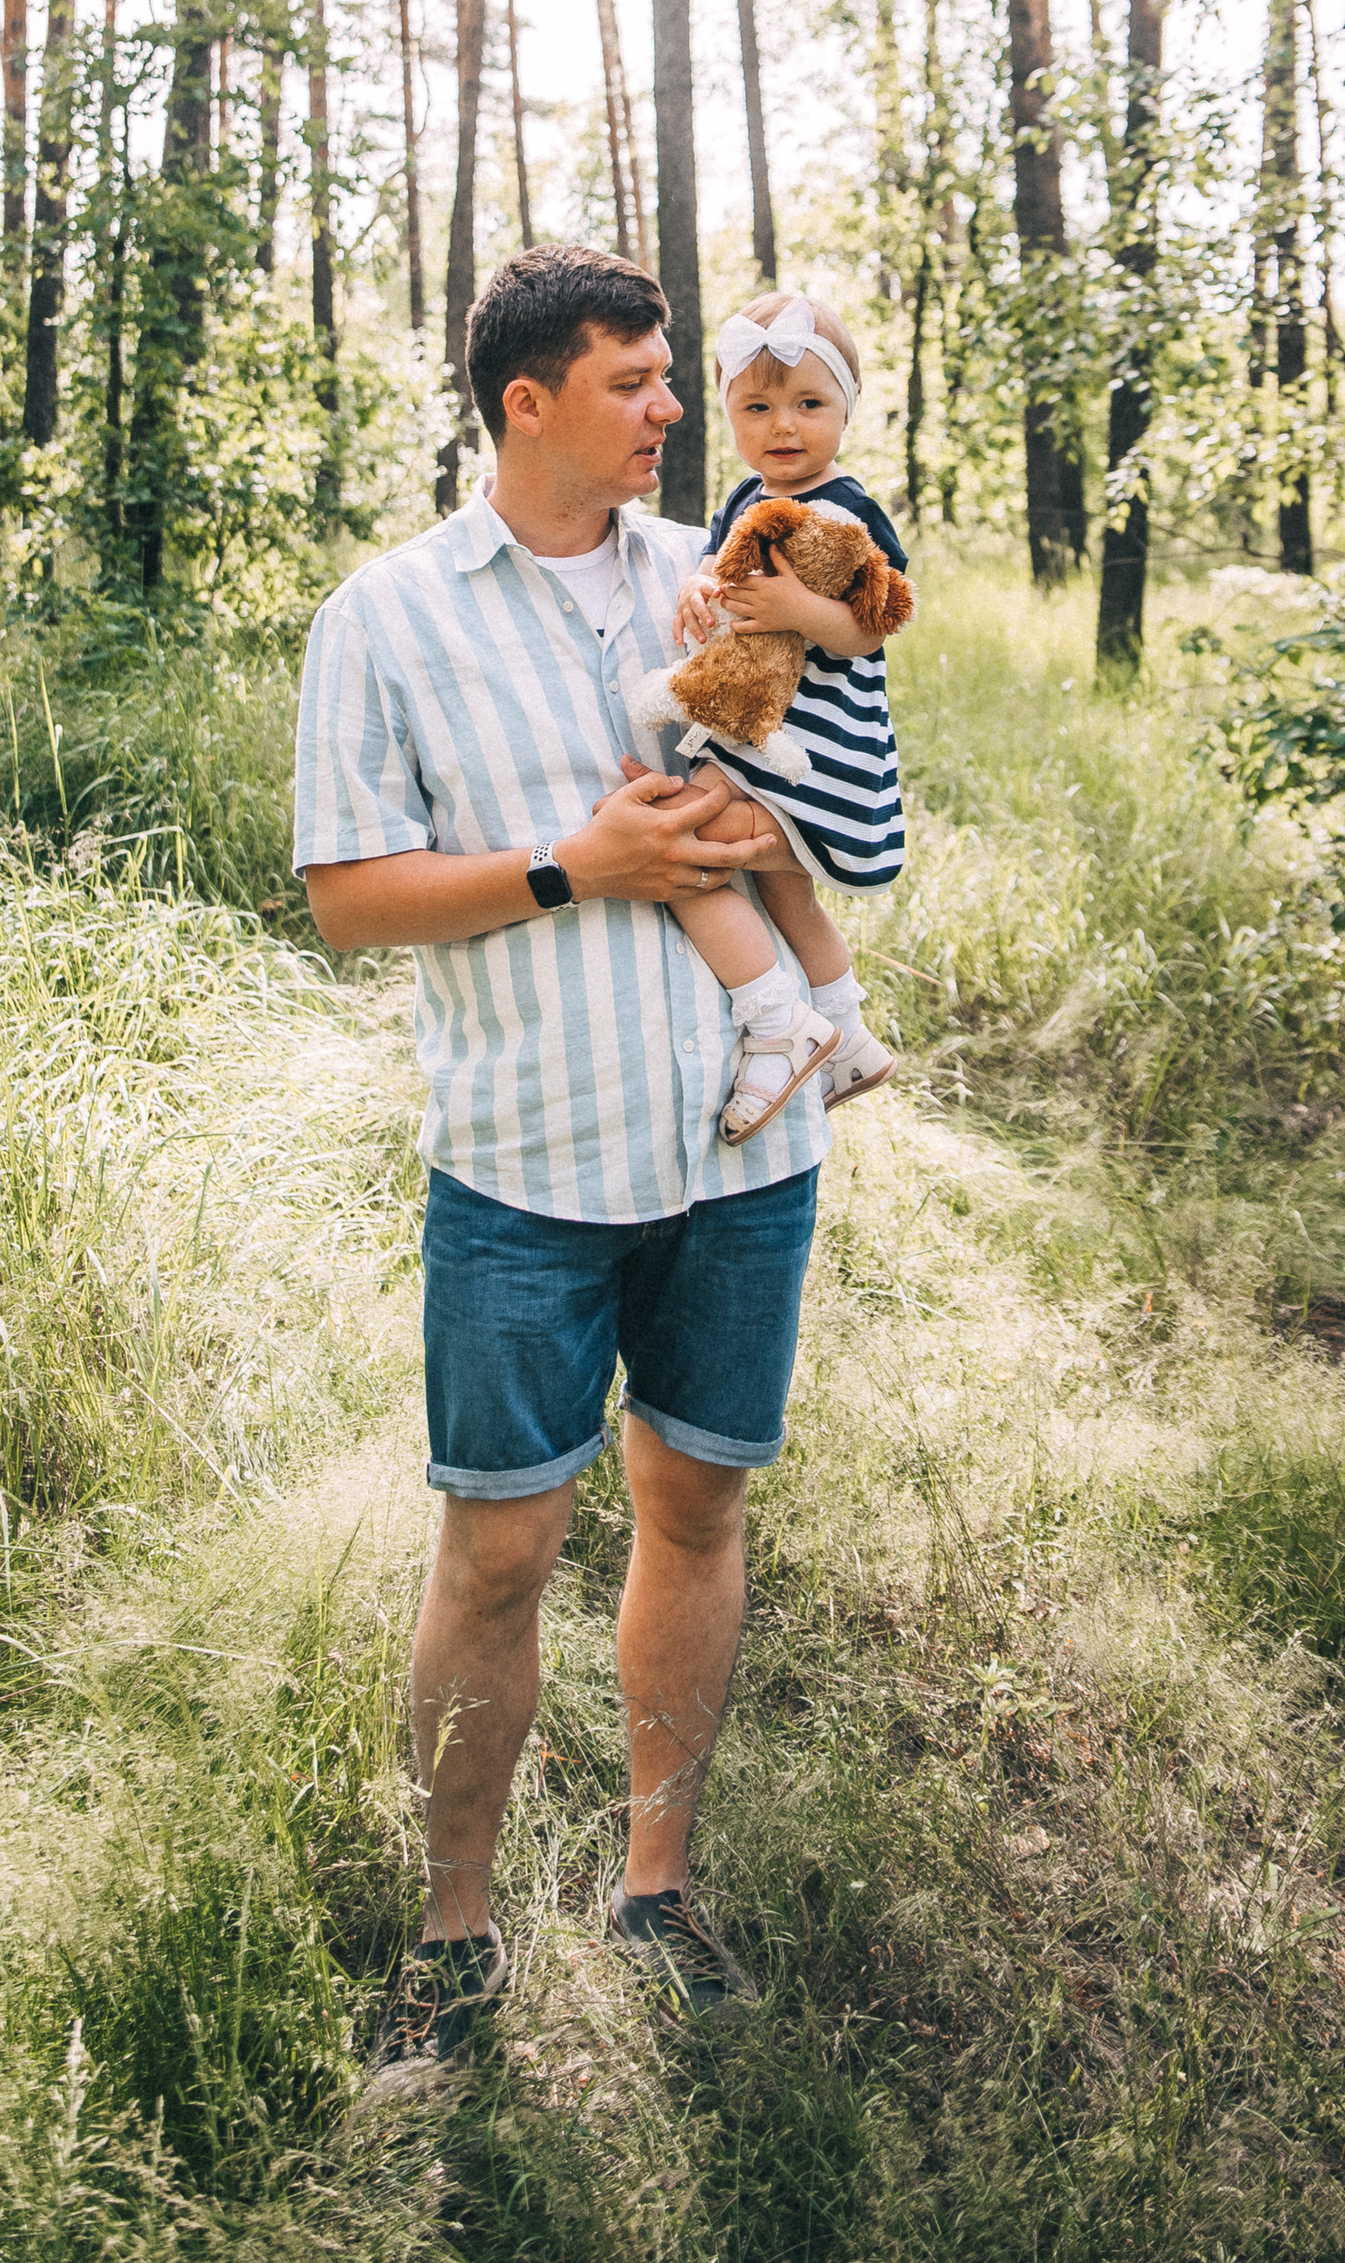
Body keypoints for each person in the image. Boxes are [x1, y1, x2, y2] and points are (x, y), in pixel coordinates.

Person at [294, 243, 827, 2096]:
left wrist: (788, 858)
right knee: (501, 1547)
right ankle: (453, 1940)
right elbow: (349, 897)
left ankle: (655, 1890)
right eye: (634, 378)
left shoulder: (727, 574)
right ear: (528, 402)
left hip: (745, 1156)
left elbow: (838, 779)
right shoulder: (386, 617)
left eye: (673, 374)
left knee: (699, 1510)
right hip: (529, 1164)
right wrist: (569, 867)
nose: (675, 406)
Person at [655, 291, 906, 1139]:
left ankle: (776, 1021)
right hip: (758, 728)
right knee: (786, 889)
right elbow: (714, 565)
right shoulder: (742, 497)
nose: (784, 426)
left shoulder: (849, 507)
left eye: (808, 403)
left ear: (846, 410)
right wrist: (696, 586)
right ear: (729, 414)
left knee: (682, 850)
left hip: (816, 740)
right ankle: (847, 1032)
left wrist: (801, 609)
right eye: (757, 407)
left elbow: (871, 628)